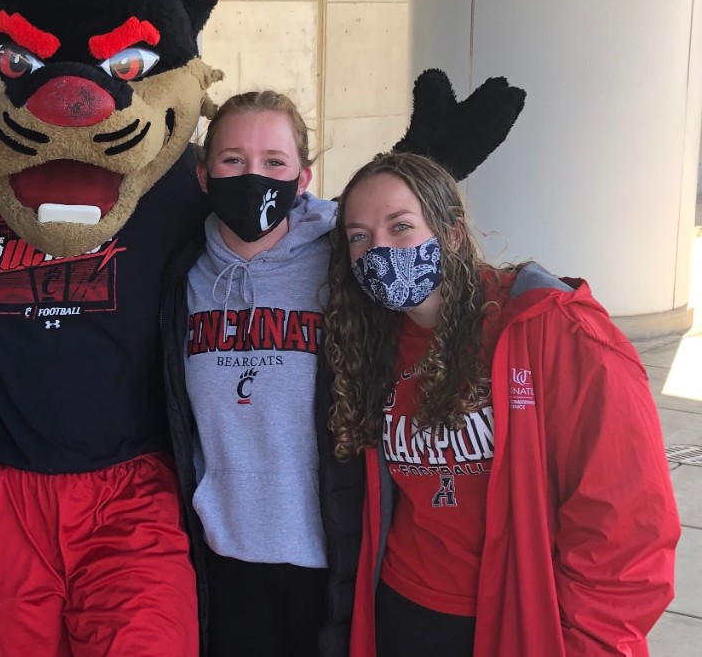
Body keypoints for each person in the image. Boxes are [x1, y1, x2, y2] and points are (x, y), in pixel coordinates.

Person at [324, 152, 680, 657]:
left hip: (515, 617)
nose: (378, 250)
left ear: (451, 234)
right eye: (359, 236)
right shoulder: (372, 340)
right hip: (403, 608)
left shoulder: (553, 330)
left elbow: (625, 525)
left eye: (400, 227)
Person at [161, 91, 361, 657]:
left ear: (304, 177)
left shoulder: (340, 265)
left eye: (274, 162)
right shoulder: (186, 274)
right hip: (226, 548)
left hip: (330, 549)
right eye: (233, 160)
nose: (254, 176)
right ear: (203, 175)